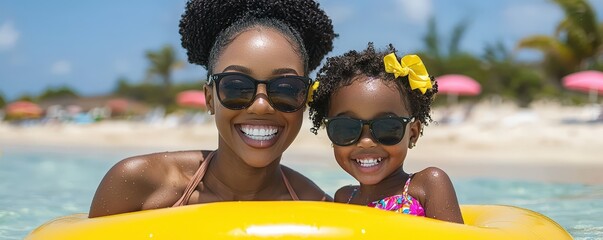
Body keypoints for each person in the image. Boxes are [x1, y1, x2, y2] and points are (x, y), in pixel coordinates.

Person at [89, 0, 336, 218]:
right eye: (236, 86)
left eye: (286, 89)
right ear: (209, 98)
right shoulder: (138, 185)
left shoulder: (318, 207)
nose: (261, 106)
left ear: (304, 100)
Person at [308, 43, 464, 223]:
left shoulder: (427, 186)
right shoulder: (345, 198)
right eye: (346, 128)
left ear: (413, 133)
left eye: (387, 127)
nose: (366, 142)